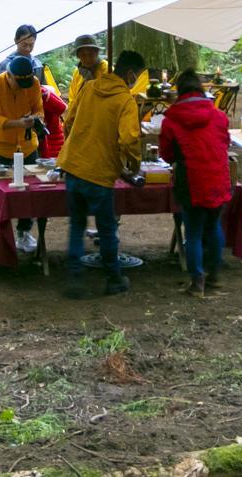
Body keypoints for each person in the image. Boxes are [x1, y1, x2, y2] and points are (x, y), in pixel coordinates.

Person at [57, 41, 143, 299]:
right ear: (129, 75)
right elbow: (128, 139)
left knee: (76, 225)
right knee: (106, 228)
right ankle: (114, 277)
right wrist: (134, 164)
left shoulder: (90, 86)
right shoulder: (125, 100)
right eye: (136, 78)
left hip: (73, 166)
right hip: (99, 173)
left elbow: (68, 122)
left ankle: (74, 277)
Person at [158, 70, 232, 298]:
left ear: (179, 91)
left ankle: (197, 282)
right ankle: (215, 277)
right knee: (213, 227)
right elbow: (225, 142)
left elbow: (167, 154)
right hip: (218, 178)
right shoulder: (219, 116)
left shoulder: (171, 120)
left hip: (190, 181)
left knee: (193, 231)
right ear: (201, 90)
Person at [0, 53, 46, 253]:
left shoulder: (33, 83)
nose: (22, 87)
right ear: (9, 75)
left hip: (27, 146)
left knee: (29, 192)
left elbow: (39, 110)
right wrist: (18, 123)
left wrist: (33, 119)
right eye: (19, 83)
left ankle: (24, 232)